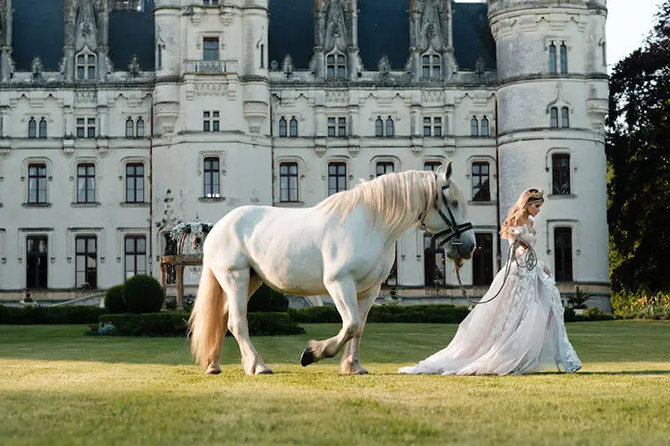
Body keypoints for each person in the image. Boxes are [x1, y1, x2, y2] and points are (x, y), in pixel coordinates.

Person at [399, 189, 581, 375]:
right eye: (536, 206)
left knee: (547, 307)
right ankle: (510, 355)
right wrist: (520, 252)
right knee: (514, 314)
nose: (538, 210)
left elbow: (529, 247)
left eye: (540, 206)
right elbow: (515, 246)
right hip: (518, 271)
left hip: (531, 269)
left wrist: (538, 264)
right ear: (527, 204)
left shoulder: (530, 222)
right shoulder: (517, 221)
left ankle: (559, 356)